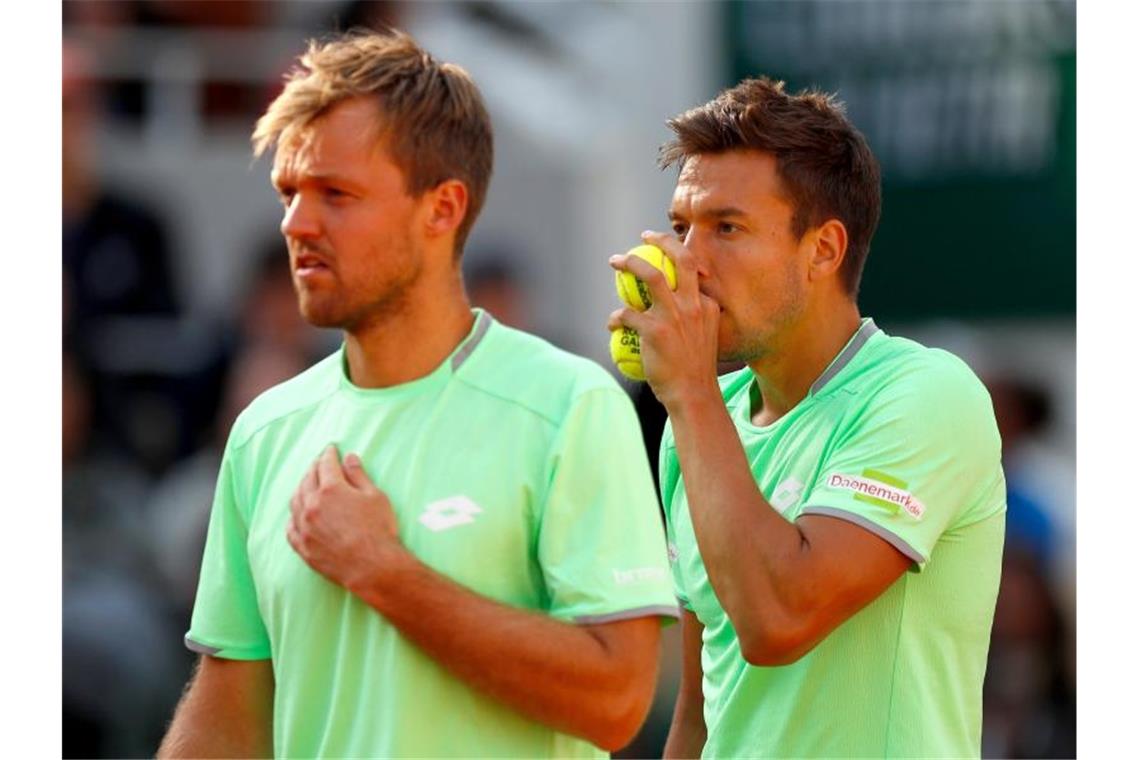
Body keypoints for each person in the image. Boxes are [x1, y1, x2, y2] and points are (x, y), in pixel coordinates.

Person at [159, 29, 677, 759]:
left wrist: (386, 573)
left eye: (336, 194)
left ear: (442, 209)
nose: (296, 224)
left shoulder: (572, 406)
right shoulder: (264, 430)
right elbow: (227, 715)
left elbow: (617, 699)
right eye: (289, 193)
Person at [608, 77, 1006, 758]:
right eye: (681, 229)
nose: (686, 265)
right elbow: (703, 714)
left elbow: (777, 620)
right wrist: (696, 402)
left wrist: (693, 394)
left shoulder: (927, 393)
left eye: (726, 229)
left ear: (823, 249)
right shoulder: (696, 421)